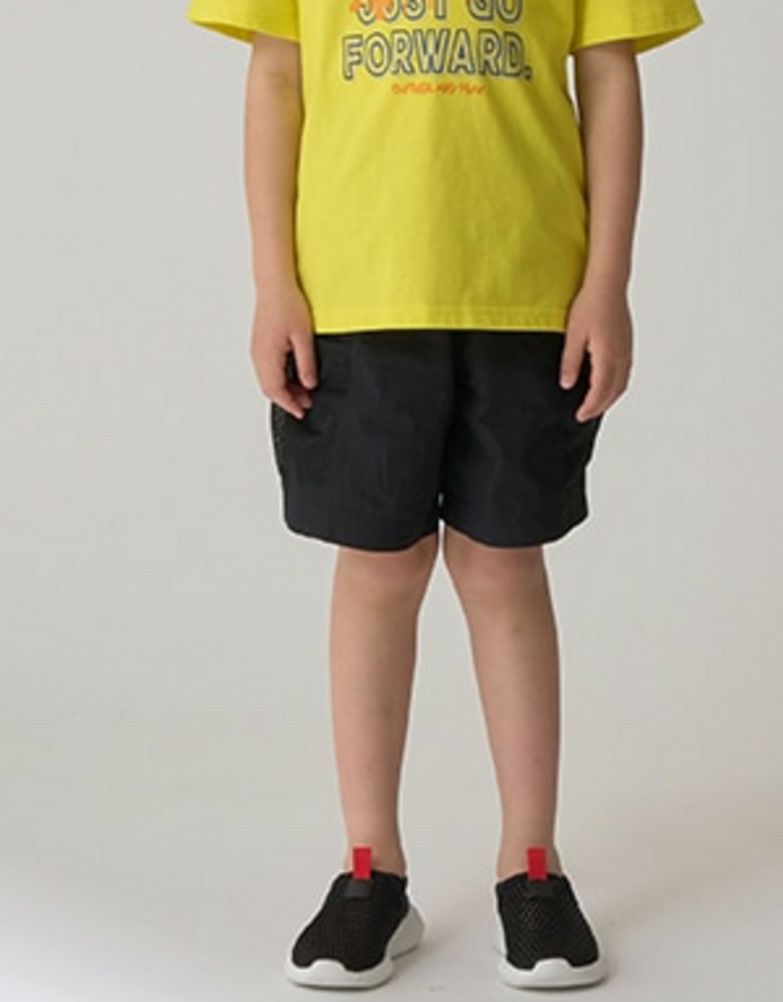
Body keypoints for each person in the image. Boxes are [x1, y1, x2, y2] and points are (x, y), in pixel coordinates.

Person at [186, 0, 703, 989]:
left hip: (528, 291)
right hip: (355, 292)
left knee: (504, 564)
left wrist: (607, 283)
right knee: (379, 567)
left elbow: (608, 76)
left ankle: (532, 864)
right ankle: (370, 870)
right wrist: (272, 283)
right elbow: (276, 76)